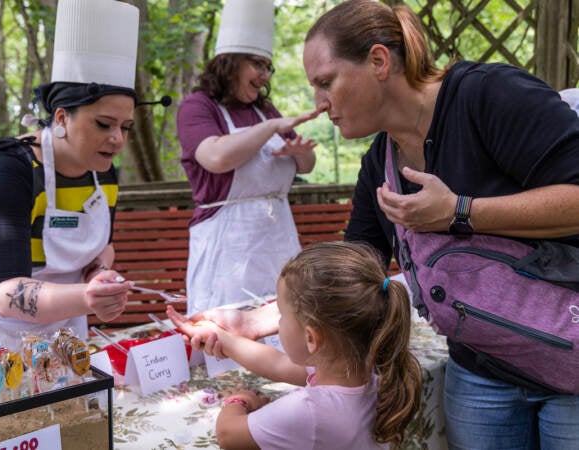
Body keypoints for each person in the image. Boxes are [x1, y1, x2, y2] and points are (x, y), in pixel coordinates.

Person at [170, 1, 579, 448]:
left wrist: (460, 211)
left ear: (379, 62)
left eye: (326, 82)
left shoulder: (488, 95)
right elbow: (350, 277)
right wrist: (251, 321)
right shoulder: (379, 162)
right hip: (479, 368)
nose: (318, 103)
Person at [0, 0, 144, 355]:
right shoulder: (7, 169)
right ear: (61, 118)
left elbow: (102, 244)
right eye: (104, 124)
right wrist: (88, 297)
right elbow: (5, 293)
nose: (117, 139)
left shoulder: (103, 171)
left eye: (126, 127)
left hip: (63, 333)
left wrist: (98, 274)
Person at [169, 241, 421, 449]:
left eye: (281, 314)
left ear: (311, 338)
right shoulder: (365, 370)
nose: (278, 322)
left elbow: (227, 435)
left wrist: (239, 400)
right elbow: (278, 364)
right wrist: (221, 337)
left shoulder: (308, 411)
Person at [177, 0, 324, 315]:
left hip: (278, 237)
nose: (263, 75)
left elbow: (307, 166)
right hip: (227, 246)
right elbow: (215, 157)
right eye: (257, 64)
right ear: (230, 63)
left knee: (287, 322)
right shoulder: (198, 107)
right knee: (227, 337)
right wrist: (270, 126)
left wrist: (301, 155)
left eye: (267, 67)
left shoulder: (262, 107)